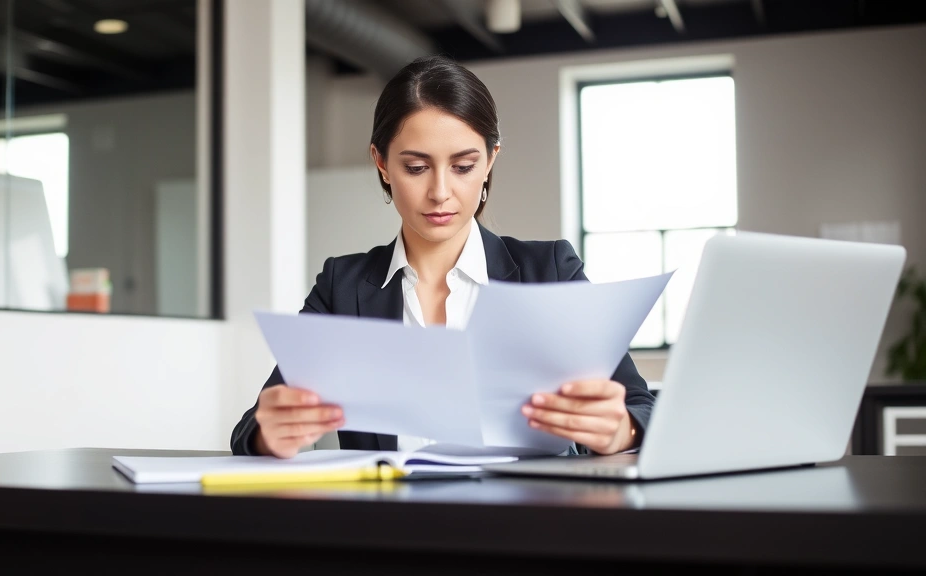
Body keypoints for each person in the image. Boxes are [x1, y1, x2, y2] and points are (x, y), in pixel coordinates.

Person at [230, 56, 655, 459]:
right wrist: (271, 433)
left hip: (529, 526)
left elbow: (643, 406)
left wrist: (621, 430)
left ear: (490, 160)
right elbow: (252, 426)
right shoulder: (341, 286)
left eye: (464, 166)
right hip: (390, 529)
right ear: (381, 163)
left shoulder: (551, 273)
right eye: (416, 168)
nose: (439, 192)